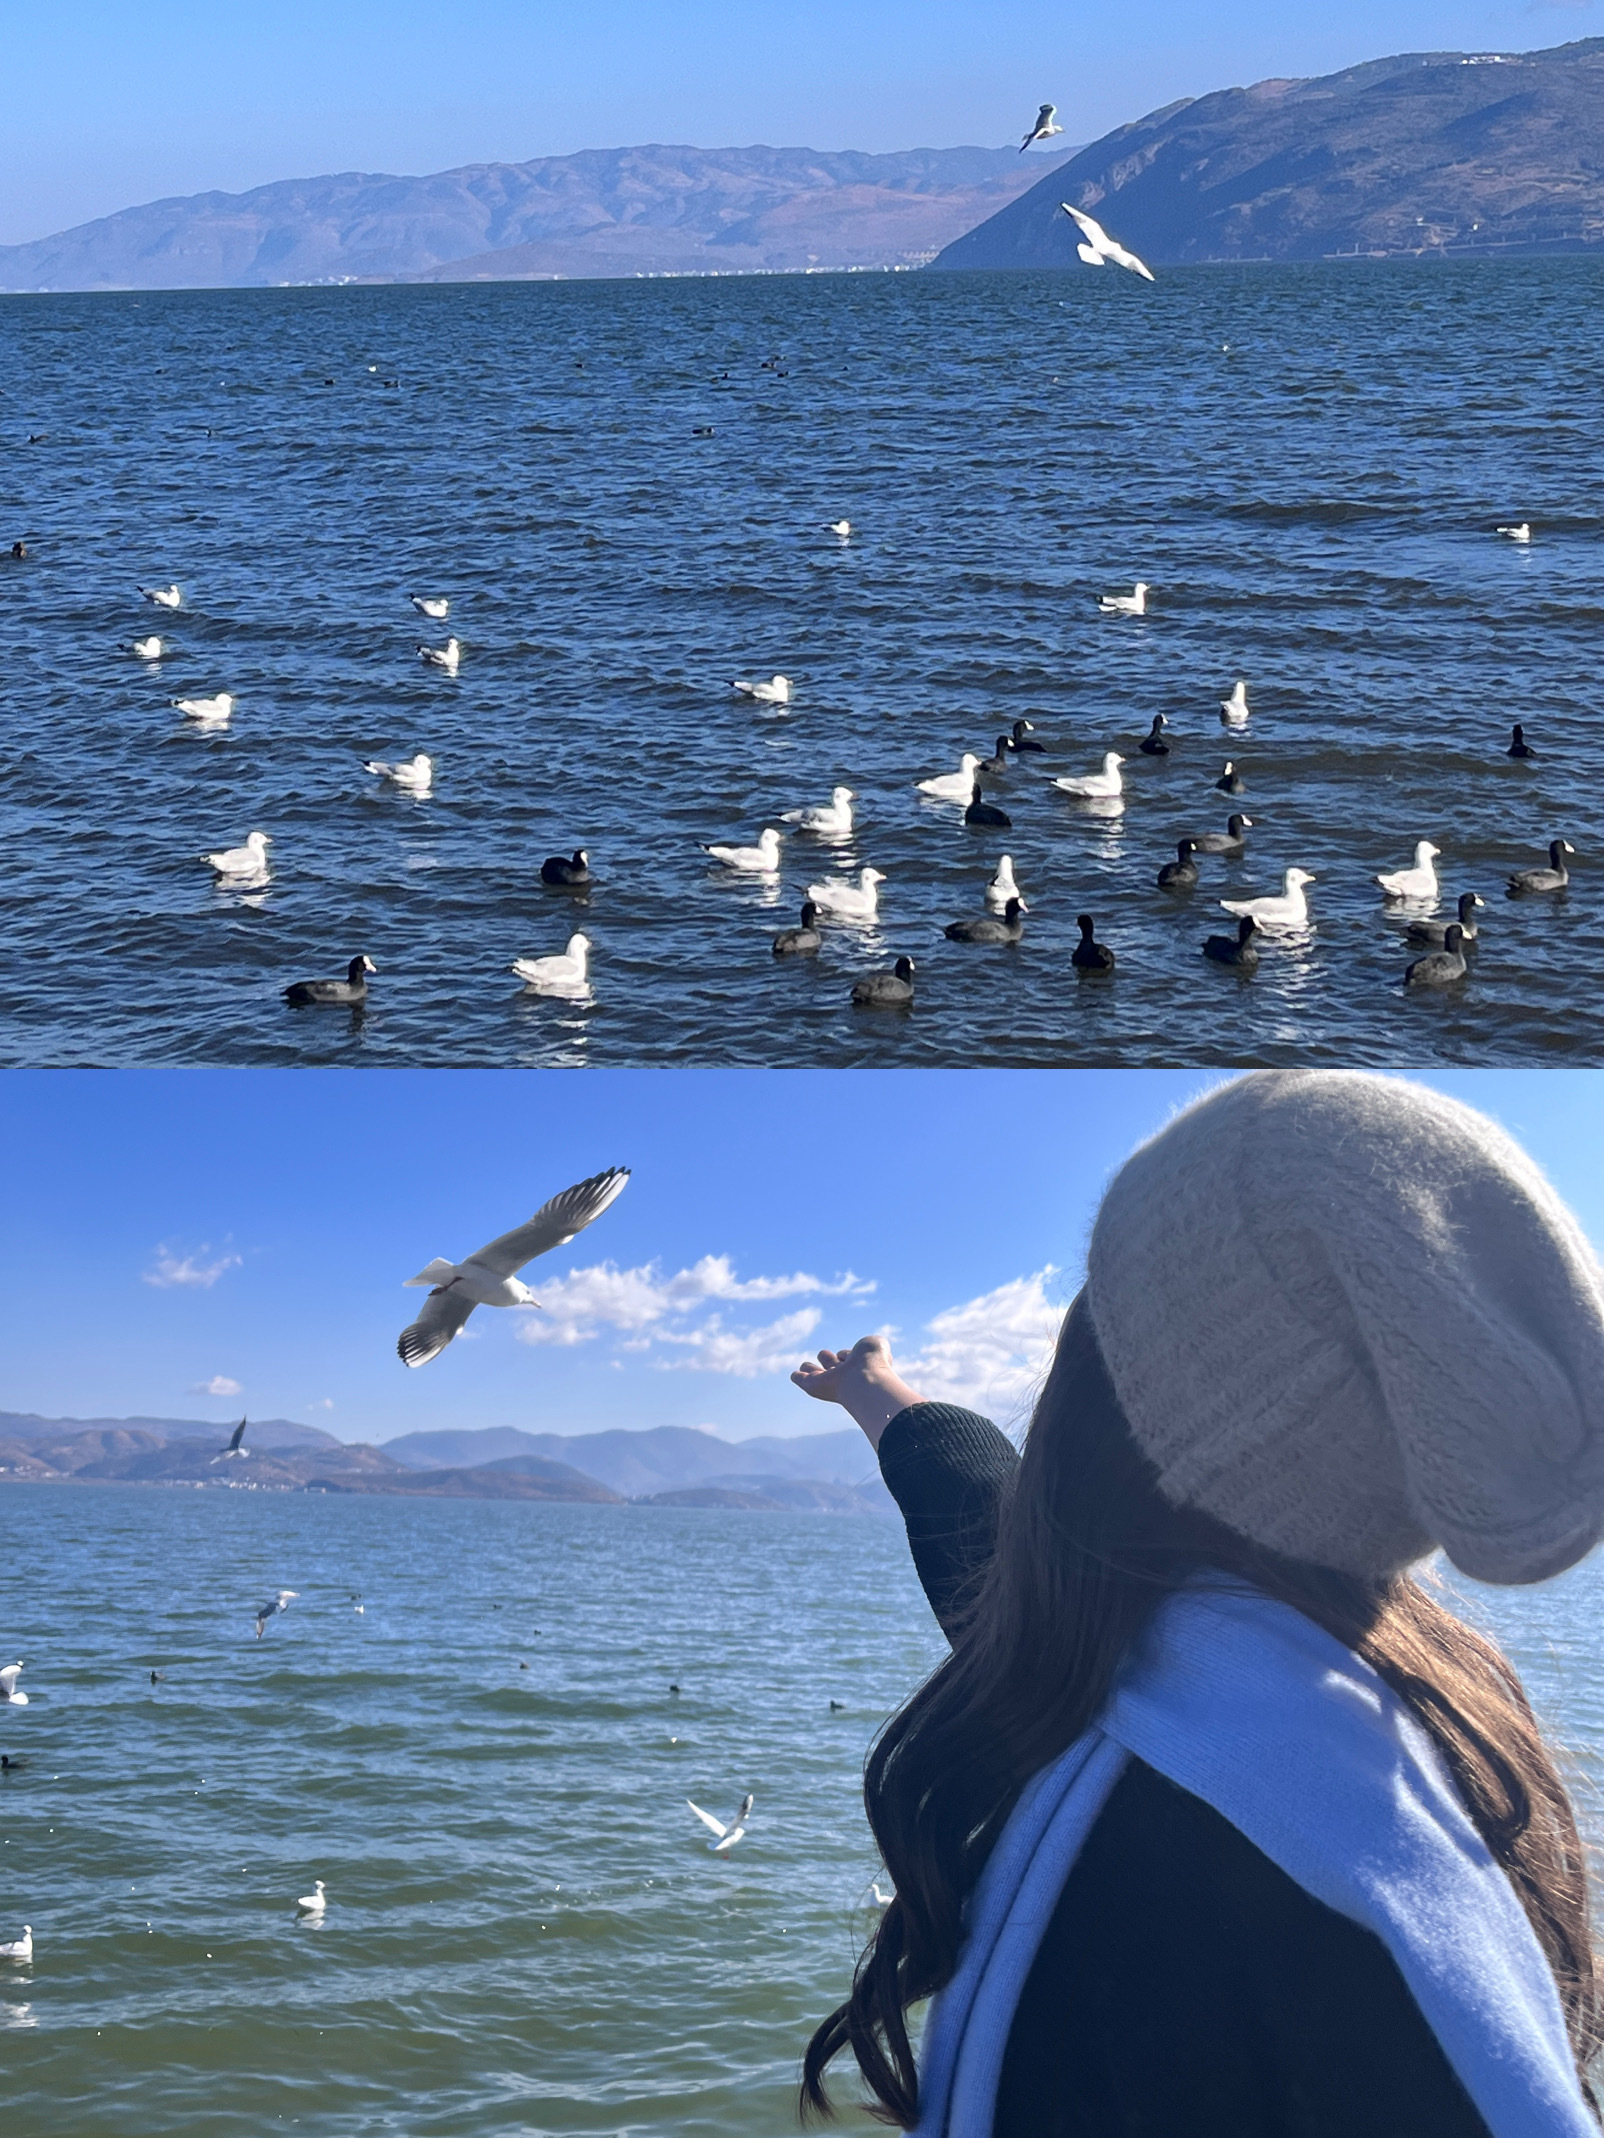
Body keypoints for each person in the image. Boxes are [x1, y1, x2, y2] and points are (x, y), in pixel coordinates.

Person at [790, 1071, 1604, 2137]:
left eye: (1092, 1317)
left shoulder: (1217, 1906)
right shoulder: (1376, 1693)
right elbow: (980, 1519)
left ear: (1102, 1409)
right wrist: (877, 1393)